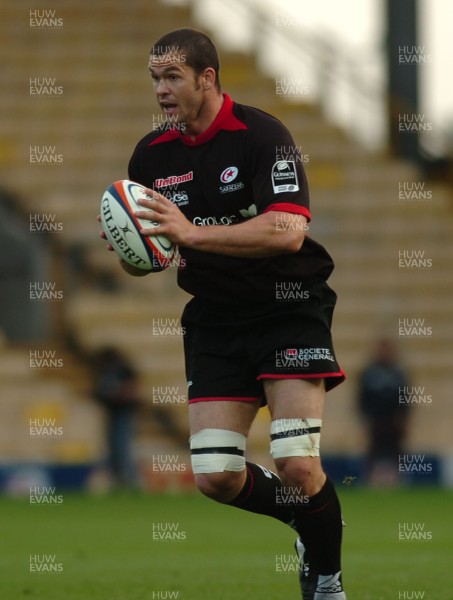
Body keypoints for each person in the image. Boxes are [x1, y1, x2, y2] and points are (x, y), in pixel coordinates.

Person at [99, 28, 346, 599]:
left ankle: (327, 581)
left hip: (287, 305)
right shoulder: (150, 154)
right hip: (215, 318)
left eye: (172, 77)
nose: (160, 90)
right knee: (214, 477)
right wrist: (137, 249)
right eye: (154, 79)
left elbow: (289, 231)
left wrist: (191, 233)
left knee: (296, 462)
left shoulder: (261, 135)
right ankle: (306, 522)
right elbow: (156, 257)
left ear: (207, 78)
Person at [358, 337, 411, 485]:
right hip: (376, 421)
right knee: (373, 452)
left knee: (397, 453)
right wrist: (365, 418)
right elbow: (362, 398)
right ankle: (369, 480)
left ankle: (400, 481)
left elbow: (405, 398)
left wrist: (404, 419)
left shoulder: (398, 373)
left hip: (394, 421)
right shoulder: (369, 372)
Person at [92, 346, 140, 488]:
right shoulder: (106, 371)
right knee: (113, 448)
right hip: (111, 413)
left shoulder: (124, 371)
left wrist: (117, 395)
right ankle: (117, 480)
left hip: (124, 413)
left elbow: (130, 391)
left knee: (122, 447)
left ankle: (130, 481)